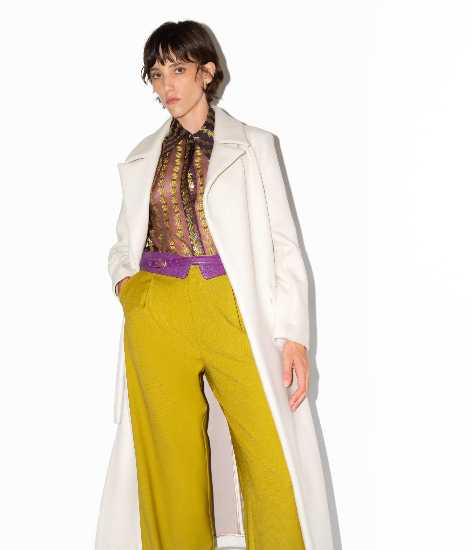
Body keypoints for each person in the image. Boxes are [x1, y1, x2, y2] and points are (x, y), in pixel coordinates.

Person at [95, 20, 335, 550]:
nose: (167, 85)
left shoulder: (254, 145)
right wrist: (129, 290)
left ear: (206, 72)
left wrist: (293, 334)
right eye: (157, 74)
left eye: (178, 70)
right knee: (170, 462)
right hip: (158, 309)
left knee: (271, 454)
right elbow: (122, 243)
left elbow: (284, 243)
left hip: (232, 305)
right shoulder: (142, 154)